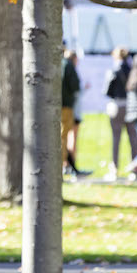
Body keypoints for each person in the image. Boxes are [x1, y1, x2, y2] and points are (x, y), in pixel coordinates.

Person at [103, 47, 137, 181]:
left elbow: (107, 90)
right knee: (133, 138)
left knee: (116, 138)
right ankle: (134, 167)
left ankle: (115, 168)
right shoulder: (131, 70)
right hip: (129, 105)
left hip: (117, 105)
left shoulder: (114, 70)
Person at [61, 49, 81, 177]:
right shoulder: (68, 65)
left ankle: (66, 162)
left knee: (62, 134)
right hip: (66, 104)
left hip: (58, 104)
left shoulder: (59, 63)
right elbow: (75, 86)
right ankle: (64, 163)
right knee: (64, 134)